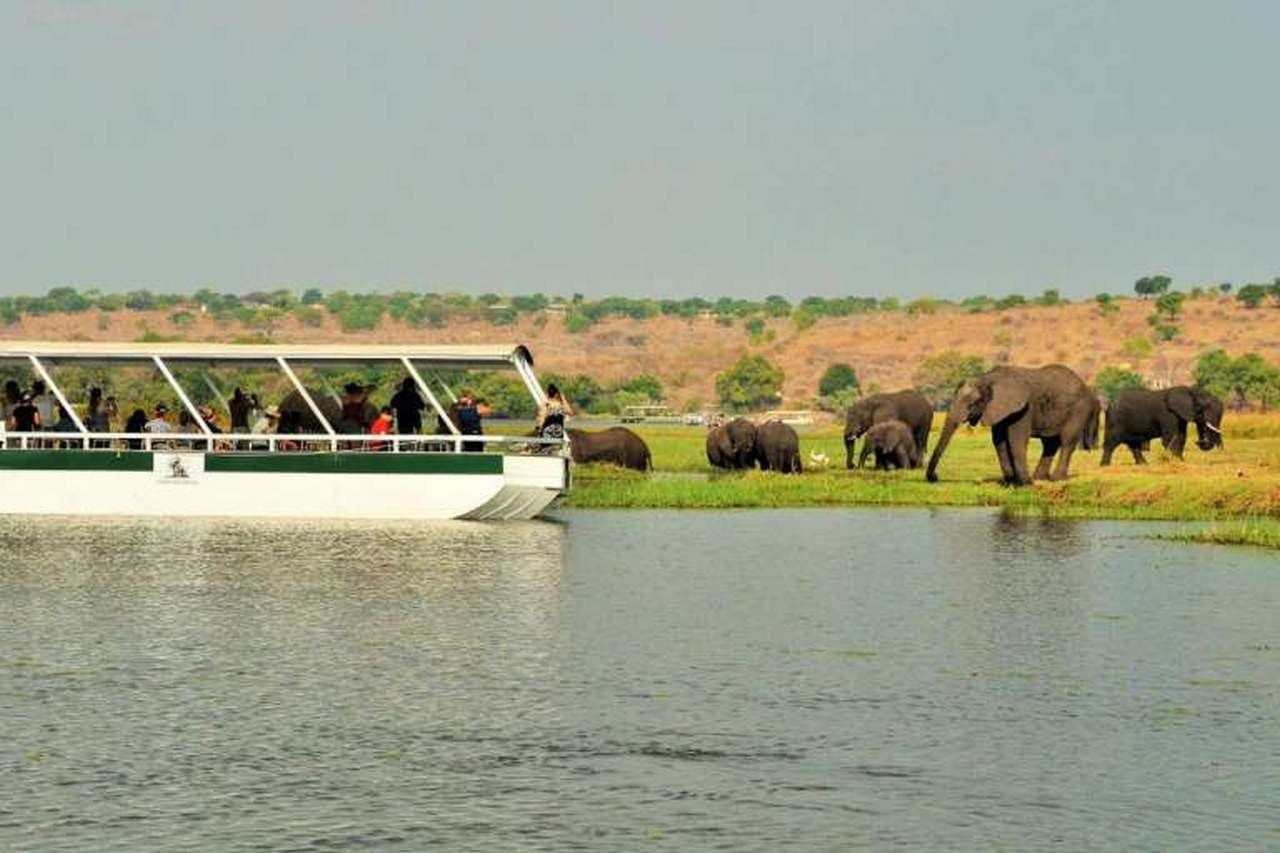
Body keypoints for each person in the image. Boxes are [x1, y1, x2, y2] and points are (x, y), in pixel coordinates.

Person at [455, 388, 484, 452]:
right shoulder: (460, 409)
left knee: (477, 451)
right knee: (468, 450)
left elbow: (481, 411)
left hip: (476, 433)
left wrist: (470, 403)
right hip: (467, 433)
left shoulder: (475, 408)